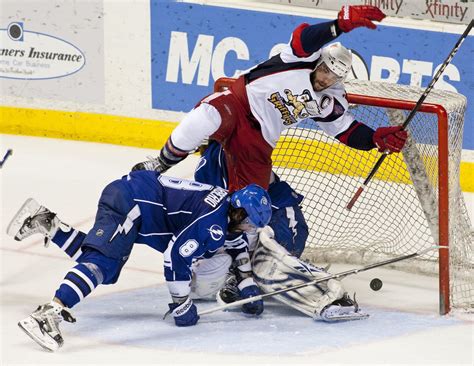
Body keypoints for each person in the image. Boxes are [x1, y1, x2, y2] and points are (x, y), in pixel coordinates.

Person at [132, 5, 408, 194]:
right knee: (204, 117)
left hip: (262, 138)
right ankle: (162, 163)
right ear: (320, 61)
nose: (325, 78)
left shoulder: (330, 100)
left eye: (333, 77)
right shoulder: (299, 57)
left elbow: (346, 130)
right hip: (239, 104)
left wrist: (374, 139)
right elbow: (305, 38)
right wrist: (338, 26)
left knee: (252, 201)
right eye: (325, 69)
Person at [6, 171, 272, 352]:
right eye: (249, 223)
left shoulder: (225, 211)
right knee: (103, 264)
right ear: (239, 212)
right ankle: (49, 313)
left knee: (106, 267)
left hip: (134, 198)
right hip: (131, 202)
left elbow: (233, 240)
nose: (249, 230)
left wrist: (247, 281)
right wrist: (181, 304)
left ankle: (48, 224)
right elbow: (175, 256)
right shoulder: (212, 222)